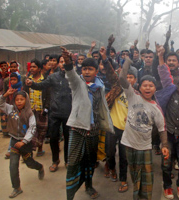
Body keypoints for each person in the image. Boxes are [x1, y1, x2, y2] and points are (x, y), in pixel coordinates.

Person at [61, 46, 114, 200]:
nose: (86, 72)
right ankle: (69, 195)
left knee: (90, 161)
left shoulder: (100, 87)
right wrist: (68, 61)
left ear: (96, 71)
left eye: (90, 69)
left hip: (95, 129)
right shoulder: (78, 83)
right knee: (73, 162)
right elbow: (71, 75)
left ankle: (89, 186)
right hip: (78, 128)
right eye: (84, 69)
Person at [119, 57, 169, 200]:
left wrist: (164, 145)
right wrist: (127, 61)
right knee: (134, 174)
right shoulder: (132, 95)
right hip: (128, 143)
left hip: (145, 147)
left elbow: (162, 128)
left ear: (155, 88)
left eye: (151, 86)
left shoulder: (156, 108)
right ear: (139, 87)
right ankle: (137, 196)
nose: (148, 88)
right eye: (145, 85)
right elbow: (122, 78)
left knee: (147, 177)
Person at [155, 45, 179, 200]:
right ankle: (167, 187)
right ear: (178, 86)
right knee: (166, 164)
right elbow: (164, 74)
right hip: (168, 135)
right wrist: (160, 56)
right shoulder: (171, 91)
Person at [25, 55, 72, 172]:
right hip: (54, 112)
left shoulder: (73, 78)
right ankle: (55, 161)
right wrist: (32, 84)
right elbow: (41, 85)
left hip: (69, 113)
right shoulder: (53, 77)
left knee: (68, 138)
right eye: (61, 62)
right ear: (58, 64)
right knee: (53, 138)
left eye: (64, 61)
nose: (62, 64)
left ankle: (67, 161)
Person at [0, 89, 44, 198]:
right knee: (13, 165)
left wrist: (24, 141)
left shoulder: (30, 113)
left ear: (26, 100)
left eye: (21, 99)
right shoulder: (10, 109)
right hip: (14, 141)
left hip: (25, 143)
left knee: (29, 163)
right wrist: (5, 95)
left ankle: (40, 167)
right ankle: (16, 188)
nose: (19, 102)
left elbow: (32, 128)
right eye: (17, 99)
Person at [103, 47, 136, 193]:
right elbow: (110, 73)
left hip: (127, 130)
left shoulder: (137, 95)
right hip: (112, 125)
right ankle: (111, 168)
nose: (128, 79)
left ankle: (123, 179)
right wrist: (104, 58)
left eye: (131, 77)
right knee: (110, 153)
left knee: (124, 157)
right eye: (126, 76)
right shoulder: (117, 87)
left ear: (135, 80)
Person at [28, 59, 50, 157]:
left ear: (39, 69)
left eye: (34, 67)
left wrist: (46, 108)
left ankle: (40, 149)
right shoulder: (28, 80)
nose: (32, 69)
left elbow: (49, 95)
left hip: (41, 110)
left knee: (41, 129)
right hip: (31, 110)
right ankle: (30, 151)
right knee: (31, 130)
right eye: (31, 67)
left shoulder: (45, 80)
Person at [0, 61, 10, 137]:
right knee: (3, 114)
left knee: (9, 114)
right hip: (2, 97)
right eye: (2, 66)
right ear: (0, 67)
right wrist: (3, 77)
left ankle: (10, 130)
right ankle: (4, 131)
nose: (4, 67)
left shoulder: (10, 75)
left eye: (5, 66)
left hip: (9, 98)